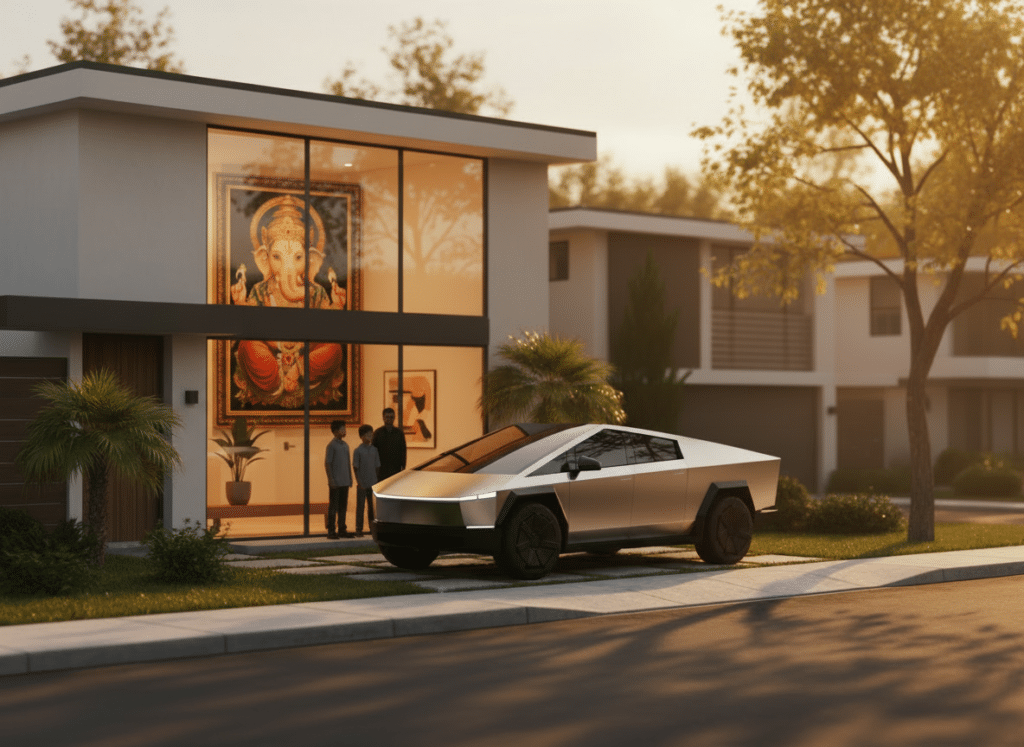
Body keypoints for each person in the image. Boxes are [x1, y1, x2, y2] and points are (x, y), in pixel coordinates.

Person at [352, 424, 381, 537]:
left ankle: (371, 528)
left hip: (372, 482)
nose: (370, 436)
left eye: (371, 434)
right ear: (362, 436)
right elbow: (355, 467)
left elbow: (377, 466)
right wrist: (359, 481)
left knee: (371, 508)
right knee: (360, 507)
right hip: (362, 484)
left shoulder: (374, 450)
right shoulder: (358, 451)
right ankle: (358, 528)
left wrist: (376, 479)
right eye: (367, 434)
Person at [324, 420, 351, 539]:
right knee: (333, 506)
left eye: (344, 428)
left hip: (345, 481)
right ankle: (331, 530)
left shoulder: (345, 445)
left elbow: (348, 464)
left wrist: (350, 478)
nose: (344, 431)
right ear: (335, 432)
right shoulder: (331, 446)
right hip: (336, 482)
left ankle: (342, 528)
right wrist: (331, 479)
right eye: (341, 429)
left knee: (343, 506)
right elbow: (328, 463)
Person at [373, 407, 407, 480]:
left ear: (394, 418)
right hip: (381, 469)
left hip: (395, 468)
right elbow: (373, 451)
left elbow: (403, 450)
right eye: (387, 417)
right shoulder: (377, 433)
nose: (389, 419)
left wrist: (403, 465)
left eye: (391, 417)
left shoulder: (399, 433)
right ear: (383, 418)